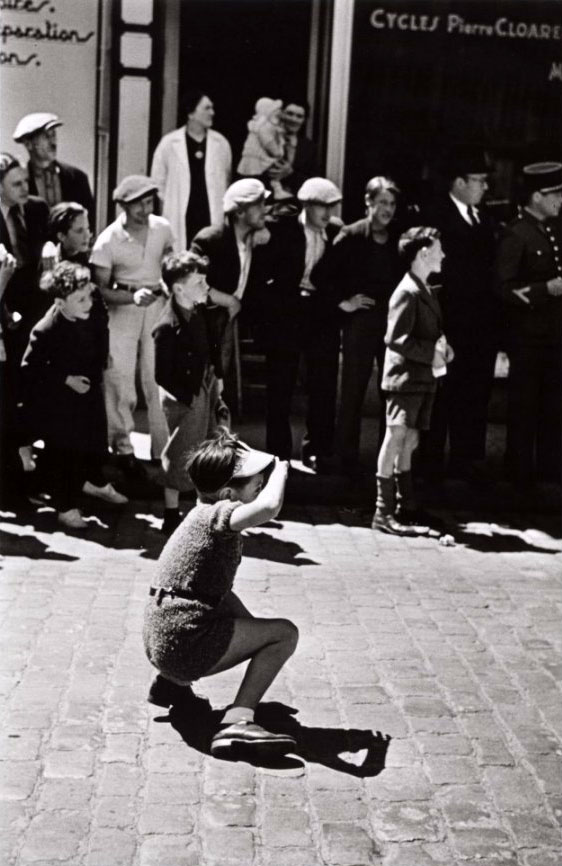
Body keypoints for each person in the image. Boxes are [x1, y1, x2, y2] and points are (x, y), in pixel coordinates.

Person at [143, 429, 298, 758]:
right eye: (255, 479)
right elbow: (270, 507)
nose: (261, 481)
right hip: (181, 645)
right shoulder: (216, 516)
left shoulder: (201, 516)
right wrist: (282, 470)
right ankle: (237, 722)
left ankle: (173, 684)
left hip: (162, 641)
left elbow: (219, 593)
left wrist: (254, 633)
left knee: (232, 614)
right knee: (285, 634)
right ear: (228, 493)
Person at [37, 202, 128, 506]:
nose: (88, 234)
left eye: (88, 227)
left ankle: (93, 480)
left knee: (93, 427)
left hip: (89, 359)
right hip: (65, 367)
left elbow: (98, 313)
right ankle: (64, 493)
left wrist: (103, 353)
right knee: (63, 432)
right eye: (79, 230)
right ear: (61, 235)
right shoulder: (55, 270)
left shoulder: (85, 266)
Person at [249, 177, 343, 464]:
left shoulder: (337, 233)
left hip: (321, 312)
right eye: (320, 207)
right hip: (287, 312)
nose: (326, 214)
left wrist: (339, 300)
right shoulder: (282, 229)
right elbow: (259, 272)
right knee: (281, 384)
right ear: (306, 205)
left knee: (323, 383)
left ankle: (318, 450)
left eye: (331, 206)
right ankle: (277, 453)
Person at [89, 175, 173, 485]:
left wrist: (167, 278)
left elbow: (169, 259)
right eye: (137, 203)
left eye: (148, 202)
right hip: (123, 307)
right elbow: (98, 289)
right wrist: (130, 297)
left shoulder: (162, 228)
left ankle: (163, 449)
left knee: (158, 377)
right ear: (123, 205)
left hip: (157, 305)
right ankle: (123, 450)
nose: (144, 209)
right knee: (120, 379)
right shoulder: (108, 239)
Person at [421, 152, 498, 481]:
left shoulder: (483, 219)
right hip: (448, 322)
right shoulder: (436, 217)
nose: (485, 186)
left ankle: (465, 460)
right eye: (479, 180)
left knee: (473, 392)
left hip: (478, 327)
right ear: (460, 182)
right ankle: (431, 464)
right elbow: (431, 276)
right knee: (442, 394)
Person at [373, 227, 453, 535]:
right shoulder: (407, 291)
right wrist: (430, 353)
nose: (442, 255)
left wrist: (443, 348)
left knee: (410, 441)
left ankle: (406, 506)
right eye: (438, 249)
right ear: (423, 253)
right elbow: (395, 340)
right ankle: (383, 512)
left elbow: (429, 331)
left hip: (420, 379)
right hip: (405, 379)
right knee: (395, 438)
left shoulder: (424, 288)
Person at [20, 262, 109, 530]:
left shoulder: (86, 317)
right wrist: (65, 379)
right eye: (80, 299)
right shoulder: (46, 329)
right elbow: (30, 368)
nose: (88, 303)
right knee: (62, 455)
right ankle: (65, 507)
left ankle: (81, 491)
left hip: (85, 399)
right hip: (58, 406)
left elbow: (97, 344)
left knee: (83, 449)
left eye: (89, 296)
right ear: (60, 302)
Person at [495, 161, 562, 489]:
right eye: (555, 194)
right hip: (527, 338)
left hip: (553, 336)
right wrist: (543, 290)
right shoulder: (516, 233)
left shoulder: (551, 230)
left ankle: (549, 472)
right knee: (524, 407)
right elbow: (504, 289)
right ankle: (518, 476)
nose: (560, 200)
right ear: (537, 196)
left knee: (552, 407)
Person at [332, 176, 404, 475]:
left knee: (391, 391)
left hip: (391, 324)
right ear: (368, 202)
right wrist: (345, 301)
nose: (388, 209)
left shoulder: (398, 239)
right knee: (353, 390)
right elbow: (327, 275)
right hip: (361, 323)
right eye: (382, 202)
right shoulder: (350, 235)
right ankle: (346, 458)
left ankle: (384, 461)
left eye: (392, 204)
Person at [154, 251, 227, 537]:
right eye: (199, 282)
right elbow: (162, 374)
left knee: (207, 447)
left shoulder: (201, 311)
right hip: (184, 395)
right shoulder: (165, 326)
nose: (206, 287)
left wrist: (217, 379)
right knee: (181, 450)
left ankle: (202, 509)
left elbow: (213, 347)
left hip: (204, 385)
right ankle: (170, 515)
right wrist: (188, 399)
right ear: (178, 288)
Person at [190, 178, 272, 382]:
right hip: (205, 319)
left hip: (232, 321)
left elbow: (291, 211)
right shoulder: (210, 239)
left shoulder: (258, 239)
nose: (265, 210)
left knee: (220, 379)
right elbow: (191, 282)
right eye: (259, 204)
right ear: (239, 212)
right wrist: (227, 300)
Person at [151, 89, 232, 250]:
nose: (212, 112)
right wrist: (171, 202)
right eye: (207, 108)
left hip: (210, 213)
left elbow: (227, 179)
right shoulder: (169, 143)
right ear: (191, 113)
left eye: (212, 108)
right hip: (181, 213)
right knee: (182, 260)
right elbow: (158, 181)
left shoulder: (221, 143)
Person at [0, 153, 50, 362]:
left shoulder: (37, 208)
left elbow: (51, 240)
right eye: (16, 184)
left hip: (36, 297)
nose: (25, 188)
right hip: (5, 298)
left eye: (26, 181)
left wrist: (49, 248)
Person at [13, 113, 95, 230]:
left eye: (54, 135)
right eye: (46, 136)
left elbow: (89, 225)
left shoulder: (77, 178)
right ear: (28, 144)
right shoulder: (19, 182)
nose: (53, 142)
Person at [237, 97, 291, 199]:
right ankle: (276, 190)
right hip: (255, 160)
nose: (279, 113)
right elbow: (274, 150)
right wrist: (280, 146)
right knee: (276, 164)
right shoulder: (263, 128)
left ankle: (277, 190)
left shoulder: (269, 127)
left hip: (260, 159)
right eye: (276, 111)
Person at [267, 99, 319, 196]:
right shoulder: (266, 140)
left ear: (304, 120)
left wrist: (291, 174)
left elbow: (313, 183)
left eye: (299, 116)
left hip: (296, 204)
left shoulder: (309, 148)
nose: (293, 119)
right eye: (290, 114)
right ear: (281, 114)